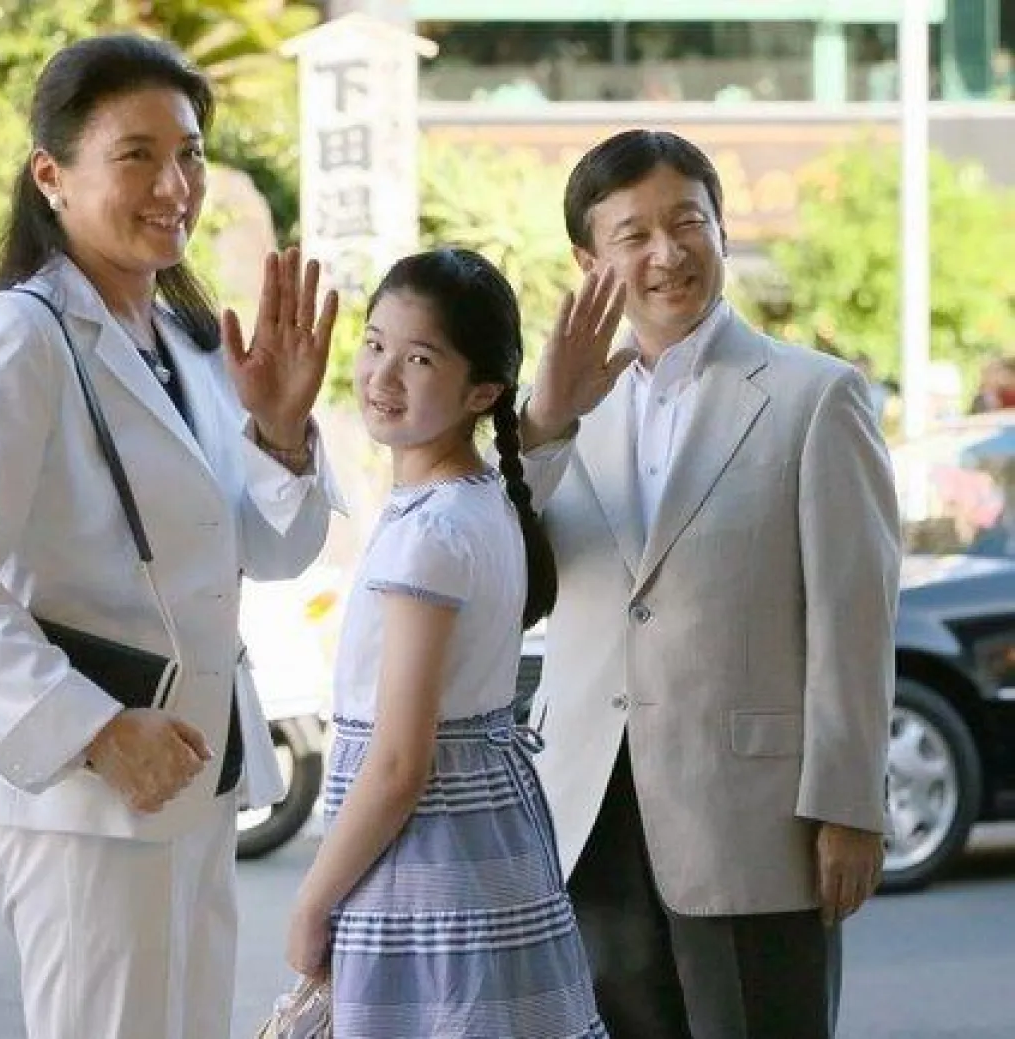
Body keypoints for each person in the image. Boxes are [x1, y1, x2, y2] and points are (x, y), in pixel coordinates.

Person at [0, 34, 340, 1039]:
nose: (175, 185)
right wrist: (95, 729)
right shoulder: (18, 334)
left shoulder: (187, 343)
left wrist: (279, 434)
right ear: (51, 176)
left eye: (189, 154)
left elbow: (271, 553)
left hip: (193, 777)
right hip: (87, 797)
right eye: (137, 155)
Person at [518, 129, 901, 1038]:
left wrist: (850, 807)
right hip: (592, 807)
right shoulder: (557, 407)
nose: (667, 252)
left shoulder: (817, 396)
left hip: (754, 819)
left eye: (687, 222)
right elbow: (509, 571)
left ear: (722, 229)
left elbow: (854, 616)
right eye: (634, 234)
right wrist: (541, 428)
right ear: (588, 262)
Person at [284, 248, 618, 1037]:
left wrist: (310, 903)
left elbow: (399, 763)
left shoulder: (431, 531)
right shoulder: (486, 503)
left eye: (420, 358)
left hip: (422, 867)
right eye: (375, 344)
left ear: (482, 391)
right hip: (484, 846)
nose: (382, 375)